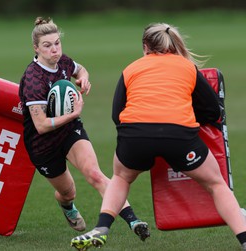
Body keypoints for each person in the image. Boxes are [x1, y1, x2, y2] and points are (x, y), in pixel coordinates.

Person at [71, 22, 246, 250]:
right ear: (173, 43)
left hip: (134, 136)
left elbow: (117, 114)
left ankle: (102, 227)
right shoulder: (186, 66)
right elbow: (213, 111)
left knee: (121, 177)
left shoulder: (131, 69)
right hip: (180, 136)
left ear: (145, 46)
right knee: (216, 184)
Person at [18, 17, 150, 241]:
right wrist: (73, 113)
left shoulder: (64, 62)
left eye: (57, 43)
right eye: (47, 45)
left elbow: (80, 70)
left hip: (70, 131)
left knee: (95, 174)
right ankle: (66, 205)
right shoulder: (33, 79)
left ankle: (134, 221)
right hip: (42, 144)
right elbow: (40, 126)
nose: (54, 50)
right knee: (68, 192)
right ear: (36, 48)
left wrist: (84, 79)